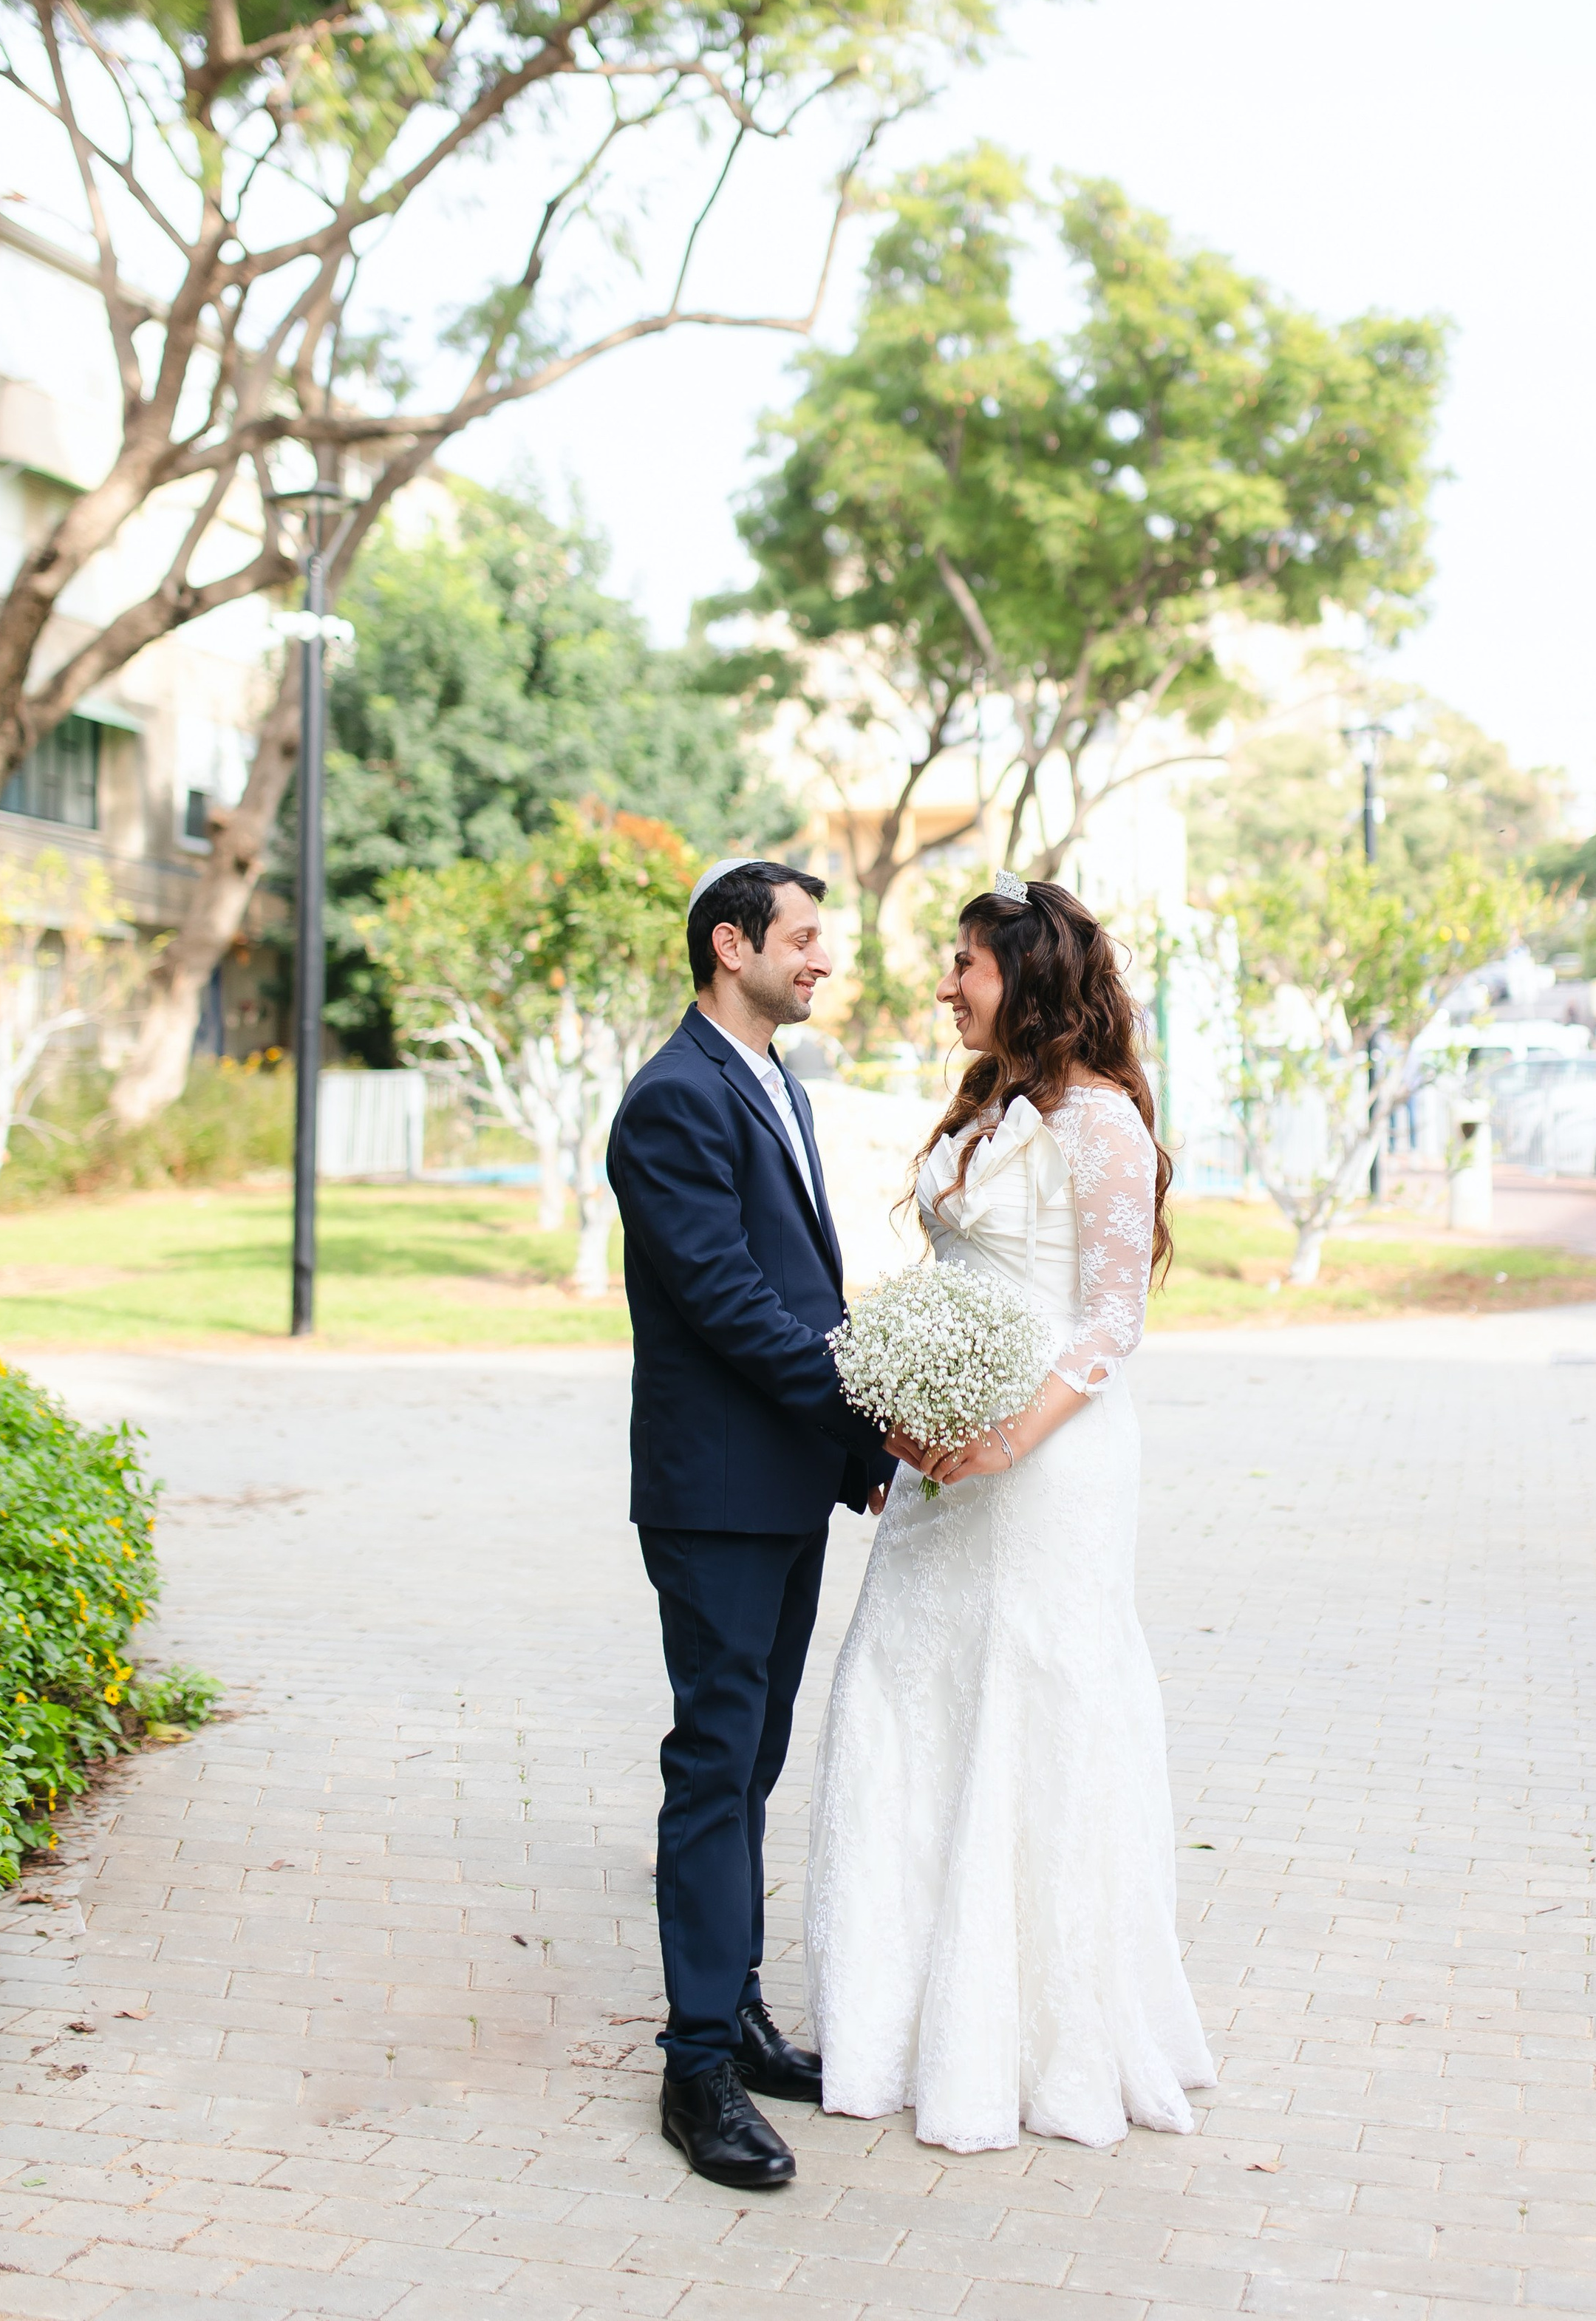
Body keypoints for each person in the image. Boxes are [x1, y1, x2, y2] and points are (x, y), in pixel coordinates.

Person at [803, 872, 1215, 2153]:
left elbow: (1111, 1320)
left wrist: (1004, 1439)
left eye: (967, 966)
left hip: (1048, 1463)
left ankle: (1036, 2036)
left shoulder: (1099, 1123)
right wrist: (912, 1400)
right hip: (942, 1452)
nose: (946, 984)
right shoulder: (987, 1102)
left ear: (1026, 980)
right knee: (901, 1689)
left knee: (1032, 1706)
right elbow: (949, 1274)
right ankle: (896, 2014)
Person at [607, 859, 890, 2192]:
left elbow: (805, 1286)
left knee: (754, 1758)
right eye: (804, 936)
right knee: (715, 1761)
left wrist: (843, 1449)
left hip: (782, 1484)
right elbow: (731, 1303)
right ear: (732, 946)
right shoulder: (671, 1099)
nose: (823, 957)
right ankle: (696, 2063)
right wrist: (872, 1412)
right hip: (717, 1494)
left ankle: (742, 2006)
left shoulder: (775, 1077)